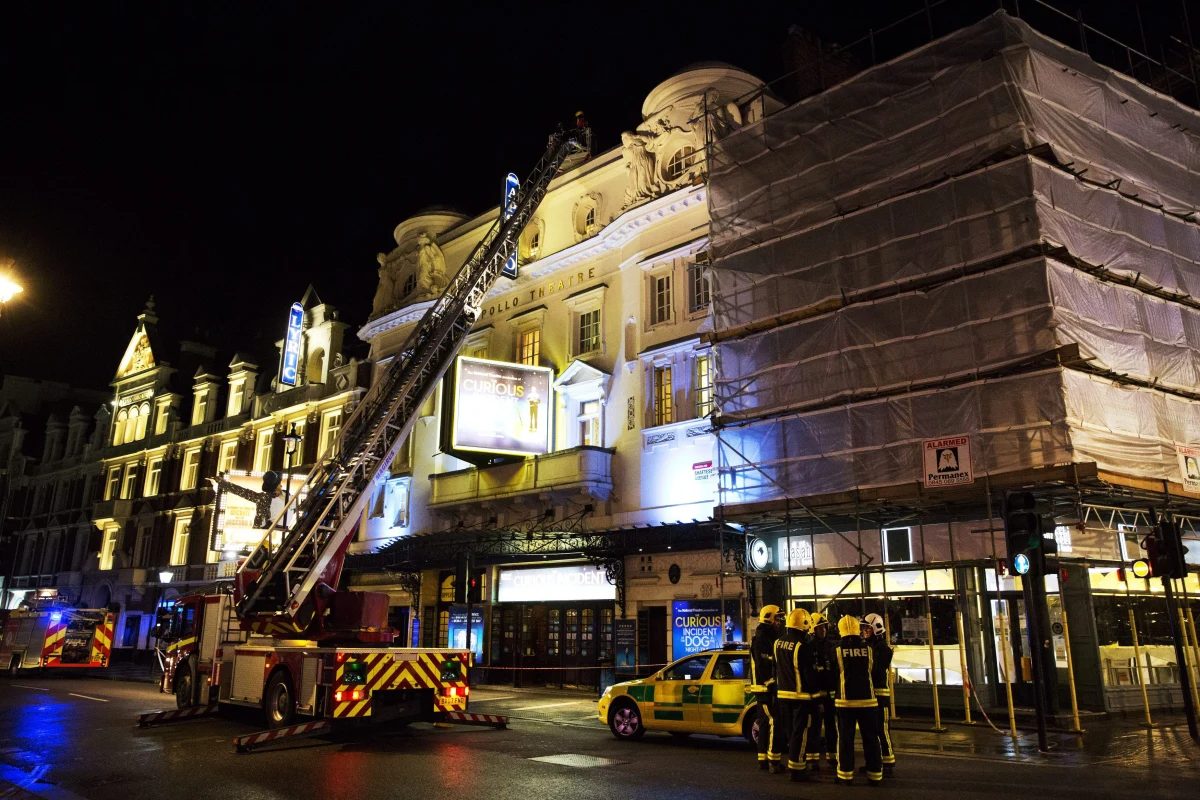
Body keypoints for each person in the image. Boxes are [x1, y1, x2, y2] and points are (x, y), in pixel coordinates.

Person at [831, 615, 882, 786]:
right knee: (871, 739)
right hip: (868, 701)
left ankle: (845, 775)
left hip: (845, 702)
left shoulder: (836, 650)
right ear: (857, 629)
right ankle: (875, 774)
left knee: (846, 739)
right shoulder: (868, 649)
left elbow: (832, 674)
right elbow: (874, 671)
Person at [774, 608, 815, 782]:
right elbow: (808, 675)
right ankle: (797, 768)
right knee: (800, 732)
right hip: (800, 697)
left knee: (790, 732)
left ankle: (793, 763)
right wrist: (816, 692)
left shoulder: (777, 643)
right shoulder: (802, 646)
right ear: (804, 624)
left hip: (783, 695)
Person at [749, 604, 782, 772]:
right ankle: (772, 761)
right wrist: (771, 683)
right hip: (764, 689)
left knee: (764, 724)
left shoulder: (767, 636)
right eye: (777, 619)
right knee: (773, 722)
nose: (779, 622)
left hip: (764, 688)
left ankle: (763, 759)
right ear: (769, 618)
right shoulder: (762, 638)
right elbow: (763, 664)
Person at [806, 611, 839, 770]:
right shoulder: (809, 647)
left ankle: (832, 757)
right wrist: (817, 700)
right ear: (813, 629)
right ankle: (813, 760)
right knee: (815, 729)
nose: (823, 630)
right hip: (816, 697)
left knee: (832, 728)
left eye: (824, 628)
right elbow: (811, 675)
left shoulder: (831, 646)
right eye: (820, 628)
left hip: (831, 697)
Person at [863, 613, 896, 775]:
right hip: (870, 695)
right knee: (871, 731)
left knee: (882, 729)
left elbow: (876, 670)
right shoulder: (868, 646)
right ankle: (874, 762)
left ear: (876, 627)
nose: (865, 630)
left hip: (880, 695)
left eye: (867, 627)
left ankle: (888, 761)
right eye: (864, 628)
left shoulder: (883, 649)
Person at [210, 470, 284, 529]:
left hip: (272, 531)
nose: (281, 486)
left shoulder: (284, 498)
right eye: (279, 484)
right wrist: (223, 483)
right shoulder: (263, 498)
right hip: (262, 532)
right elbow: (242, 491)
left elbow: (242, 492)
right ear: (275, 487)